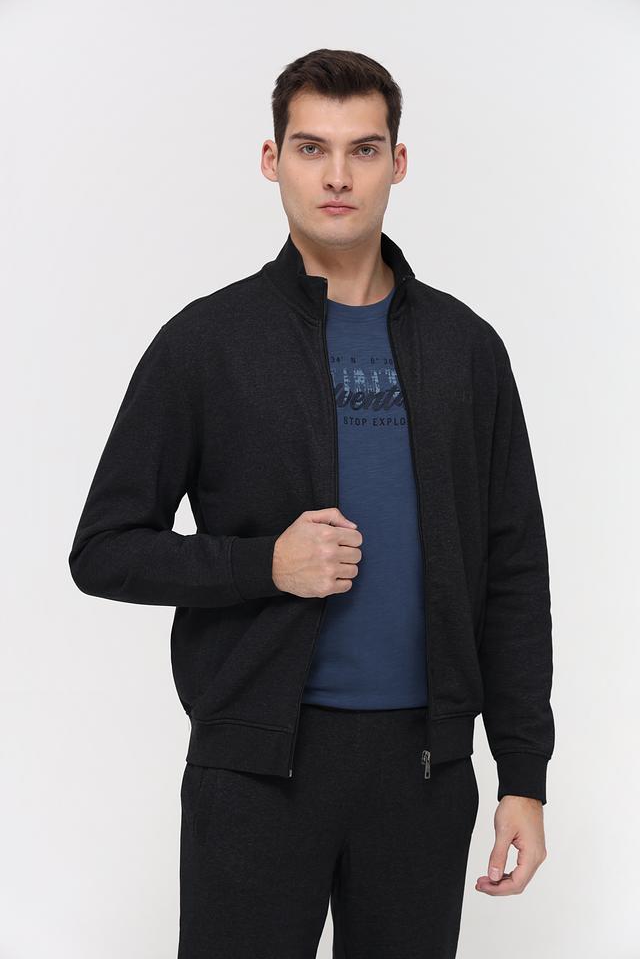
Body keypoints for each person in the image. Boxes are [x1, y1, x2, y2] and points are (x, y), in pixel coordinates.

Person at [69, 48, 554, 959]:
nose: (337, 176)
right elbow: (104, 548)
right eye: (310, 148)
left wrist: (523, 774)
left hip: (424, 771)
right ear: (272, 159)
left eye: (363, 149)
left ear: (398, 163)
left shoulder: (466, 349)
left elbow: (515, 570)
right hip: (254, 770)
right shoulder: (207, 342)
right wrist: (265, 564)